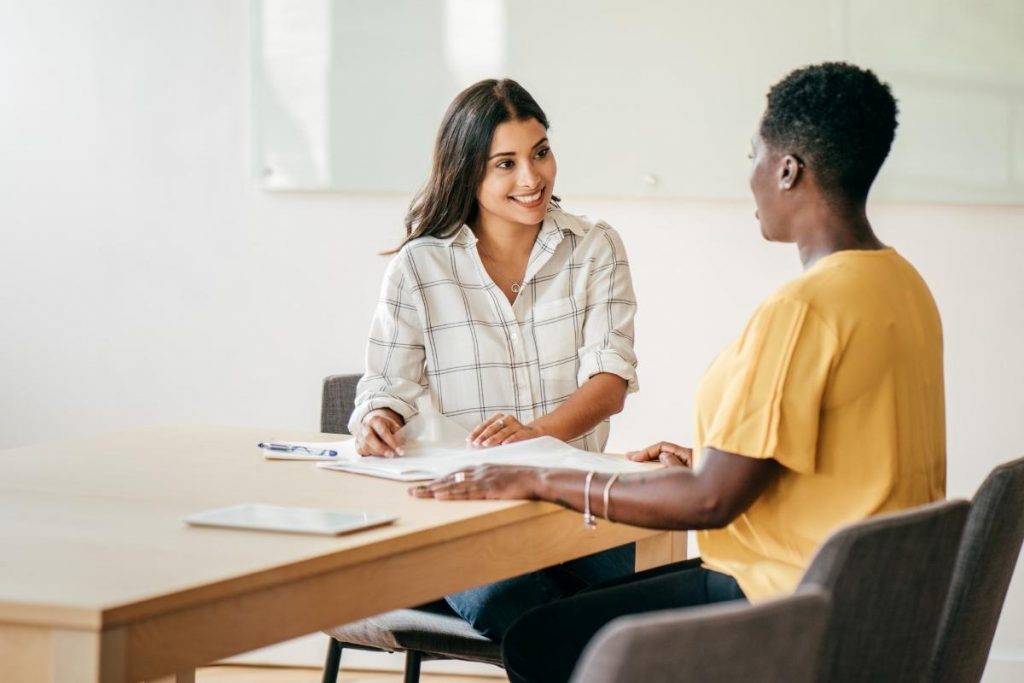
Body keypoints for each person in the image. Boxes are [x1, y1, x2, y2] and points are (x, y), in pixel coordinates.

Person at [411, 62, 947, 683]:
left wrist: (538, 477)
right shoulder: (901, 285)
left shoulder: (802, 311)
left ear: (788, 169)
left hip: (784, 602)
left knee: (540, 640)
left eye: (755, 155)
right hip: (872, 601)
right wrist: (707, 460)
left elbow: (711, 502)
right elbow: (839, 461)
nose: (750, 176)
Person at [349, 79, 640, 639]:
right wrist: (378, 420)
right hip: (464, 521)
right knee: (526, 609)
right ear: (467, 172)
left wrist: (530, 438)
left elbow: (609, 382)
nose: (532, 178)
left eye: (540, 152)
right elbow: (384, 385)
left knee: (646, 597)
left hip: (576, 513)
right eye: (504, 163)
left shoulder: (595, 247)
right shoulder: (419, 267)